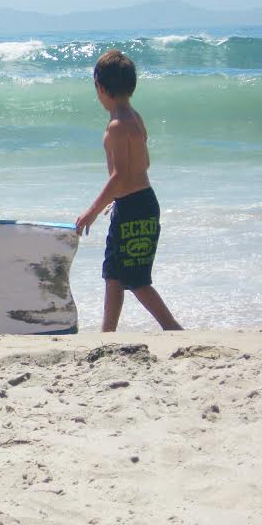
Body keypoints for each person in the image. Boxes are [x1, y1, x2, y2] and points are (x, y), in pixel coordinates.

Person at [75, 49, 183, 332]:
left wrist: (92, 211)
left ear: (100, 87)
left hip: (134, 206)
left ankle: (172, 328)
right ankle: (107, 333)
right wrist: (118, 197)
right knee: (113, 273)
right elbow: (143, 164)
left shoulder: (116, 127)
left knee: (136, 279)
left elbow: (120, 175)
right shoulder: (134, 118)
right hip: (138, 201)